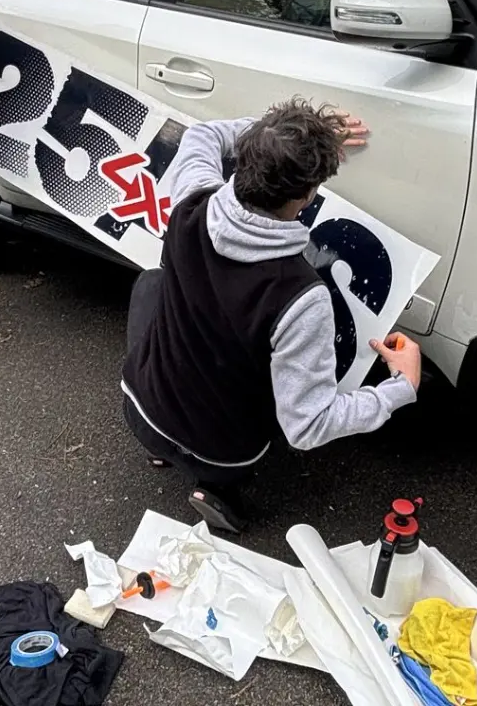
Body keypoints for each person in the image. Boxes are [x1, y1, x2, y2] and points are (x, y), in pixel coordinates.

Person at [122, 98, 422, 532]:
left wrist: (274, 140)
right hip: (223, 455)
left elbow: (201, 135)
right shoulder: (301, 296)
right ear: (307, 196)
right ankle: (216, 488)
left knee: (152, 283)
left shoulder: (190, 200)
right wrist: (401, 387)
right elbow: (308, 426)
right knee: (280, 373)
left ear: (242, 158)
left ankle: (157, 446)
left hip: (141, 410)